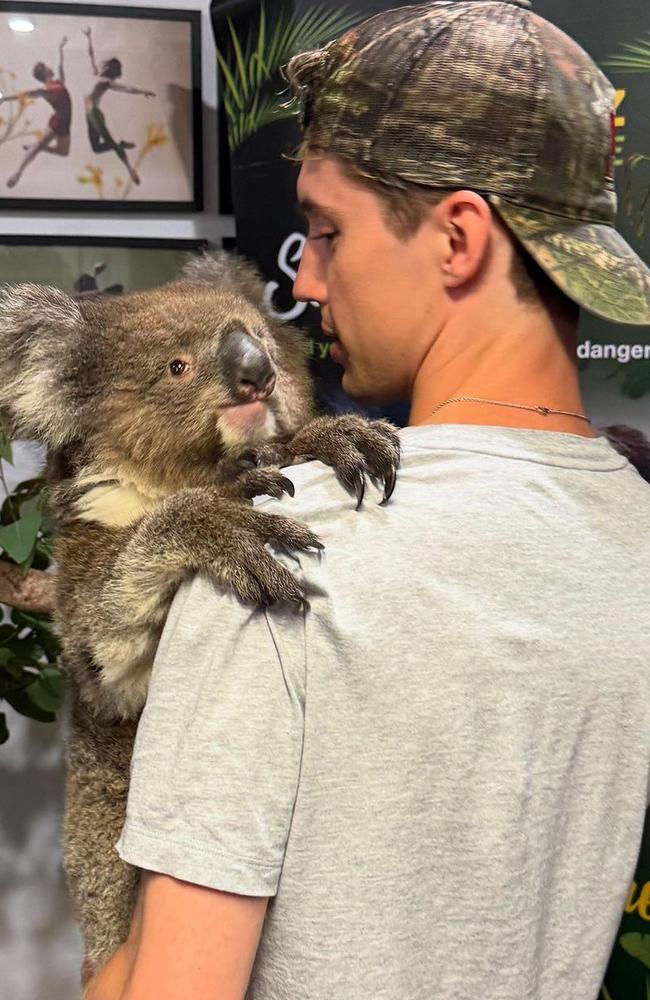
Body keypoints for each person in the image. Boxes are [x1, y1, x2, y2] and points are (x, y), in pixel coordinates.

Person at [85, 2, 650, 998]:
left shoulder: (277, 549)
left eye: (326, 229)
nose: (308, 280)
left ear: (457, 238)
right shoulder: (634, 537)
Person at [82, 26, 155, 185]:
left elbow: (125, 88)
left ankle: (130, 169)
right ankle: (120, 144)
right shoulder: (95, 74)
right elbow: (91, 54)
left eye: (104, 64)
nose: (100, 64)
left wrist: (142, 91)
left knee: (110, 141)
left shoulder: (106, 82)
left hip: (94, 113)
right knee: (96, 148)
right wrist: (88, 37)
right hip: (88, 115)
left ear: (107, 68)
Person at [1, 36, 71, 189]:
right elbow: (27, 94)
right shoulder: (47, 91)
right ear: (45, 73)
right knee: (39, 146)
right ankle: (18, 172)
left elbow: (60, 65)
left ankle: (35, 147)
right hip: (58, 121)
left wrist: (60, 48)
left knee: (63, 152)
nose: (51, 67)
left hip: (65, 123)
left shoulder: (58, 83)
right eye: (47, 67)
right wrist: (5, 98)